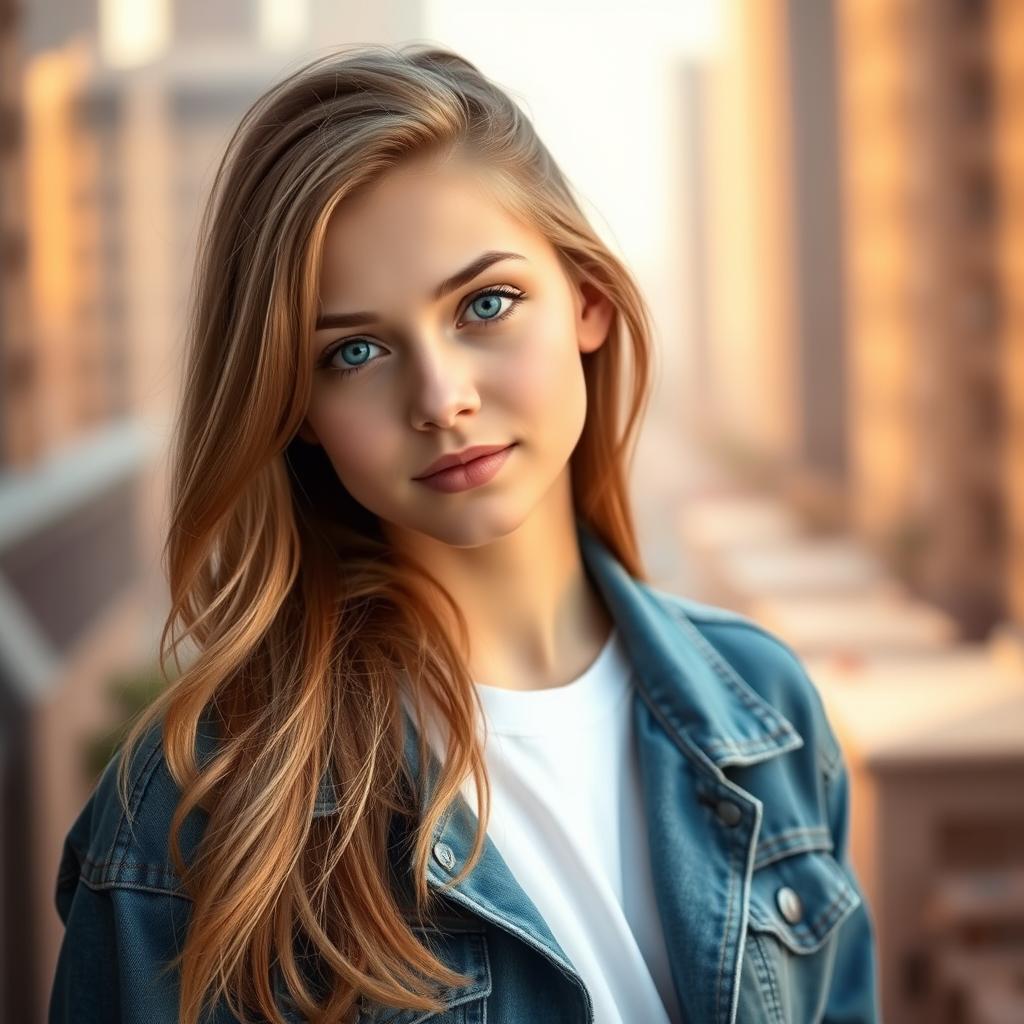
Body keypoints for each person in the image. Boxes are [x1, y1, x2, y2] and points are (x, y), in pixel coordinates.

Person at [48, 43, 880, 1024]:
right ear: (298, 408)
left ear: (587, 299)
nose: (441, 399)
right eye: (354, 351)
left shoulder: (766, 714)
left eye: (485, 303)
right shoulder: (192, 817)